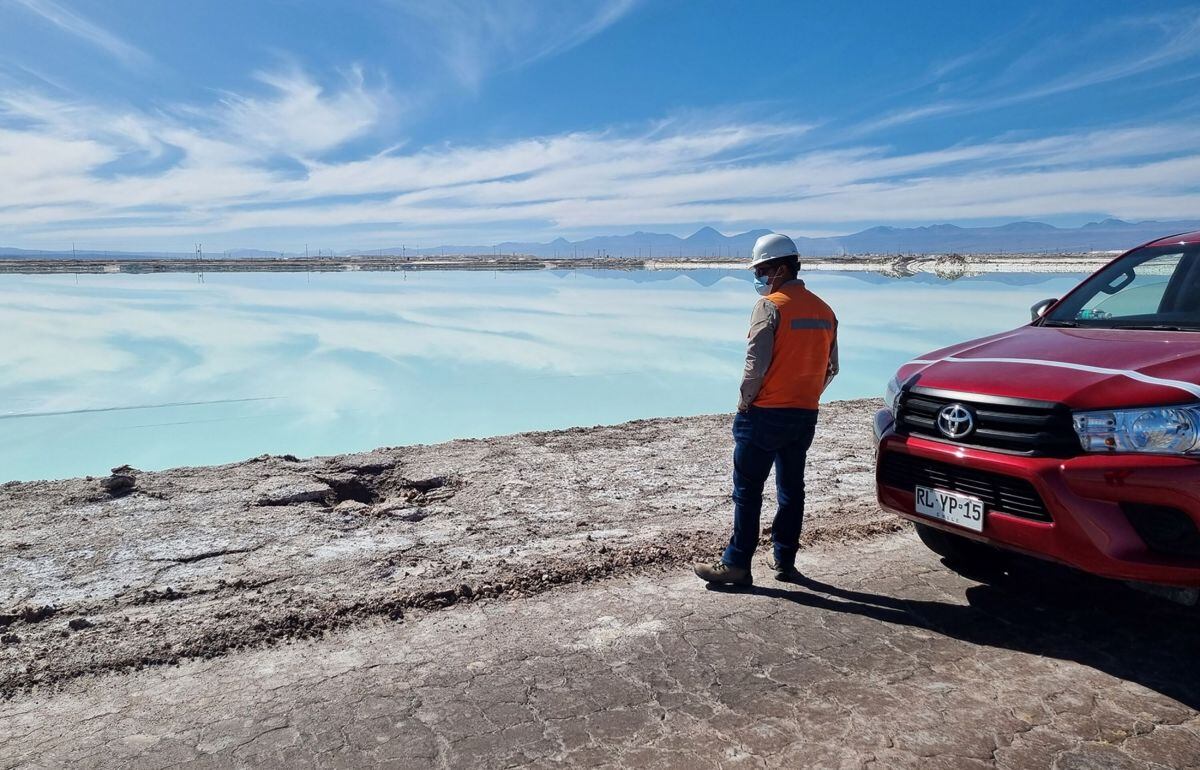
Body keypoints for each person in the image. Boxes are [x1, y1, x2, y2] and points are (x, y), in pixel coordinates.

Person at [695, 233, 839, 586]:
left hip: (763, 415)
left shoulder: (770, 306)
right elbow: (832, 367)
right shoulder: (825, 310)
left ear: (778, 268)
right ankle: (785, 561)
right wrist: (806, 395)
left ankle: (737, 564)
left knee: (747, 492)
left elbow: (755, 364)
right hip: (804, 415)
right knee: (792, 489)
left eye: (761, 269)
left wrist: (745, 402)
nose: (759, 277)